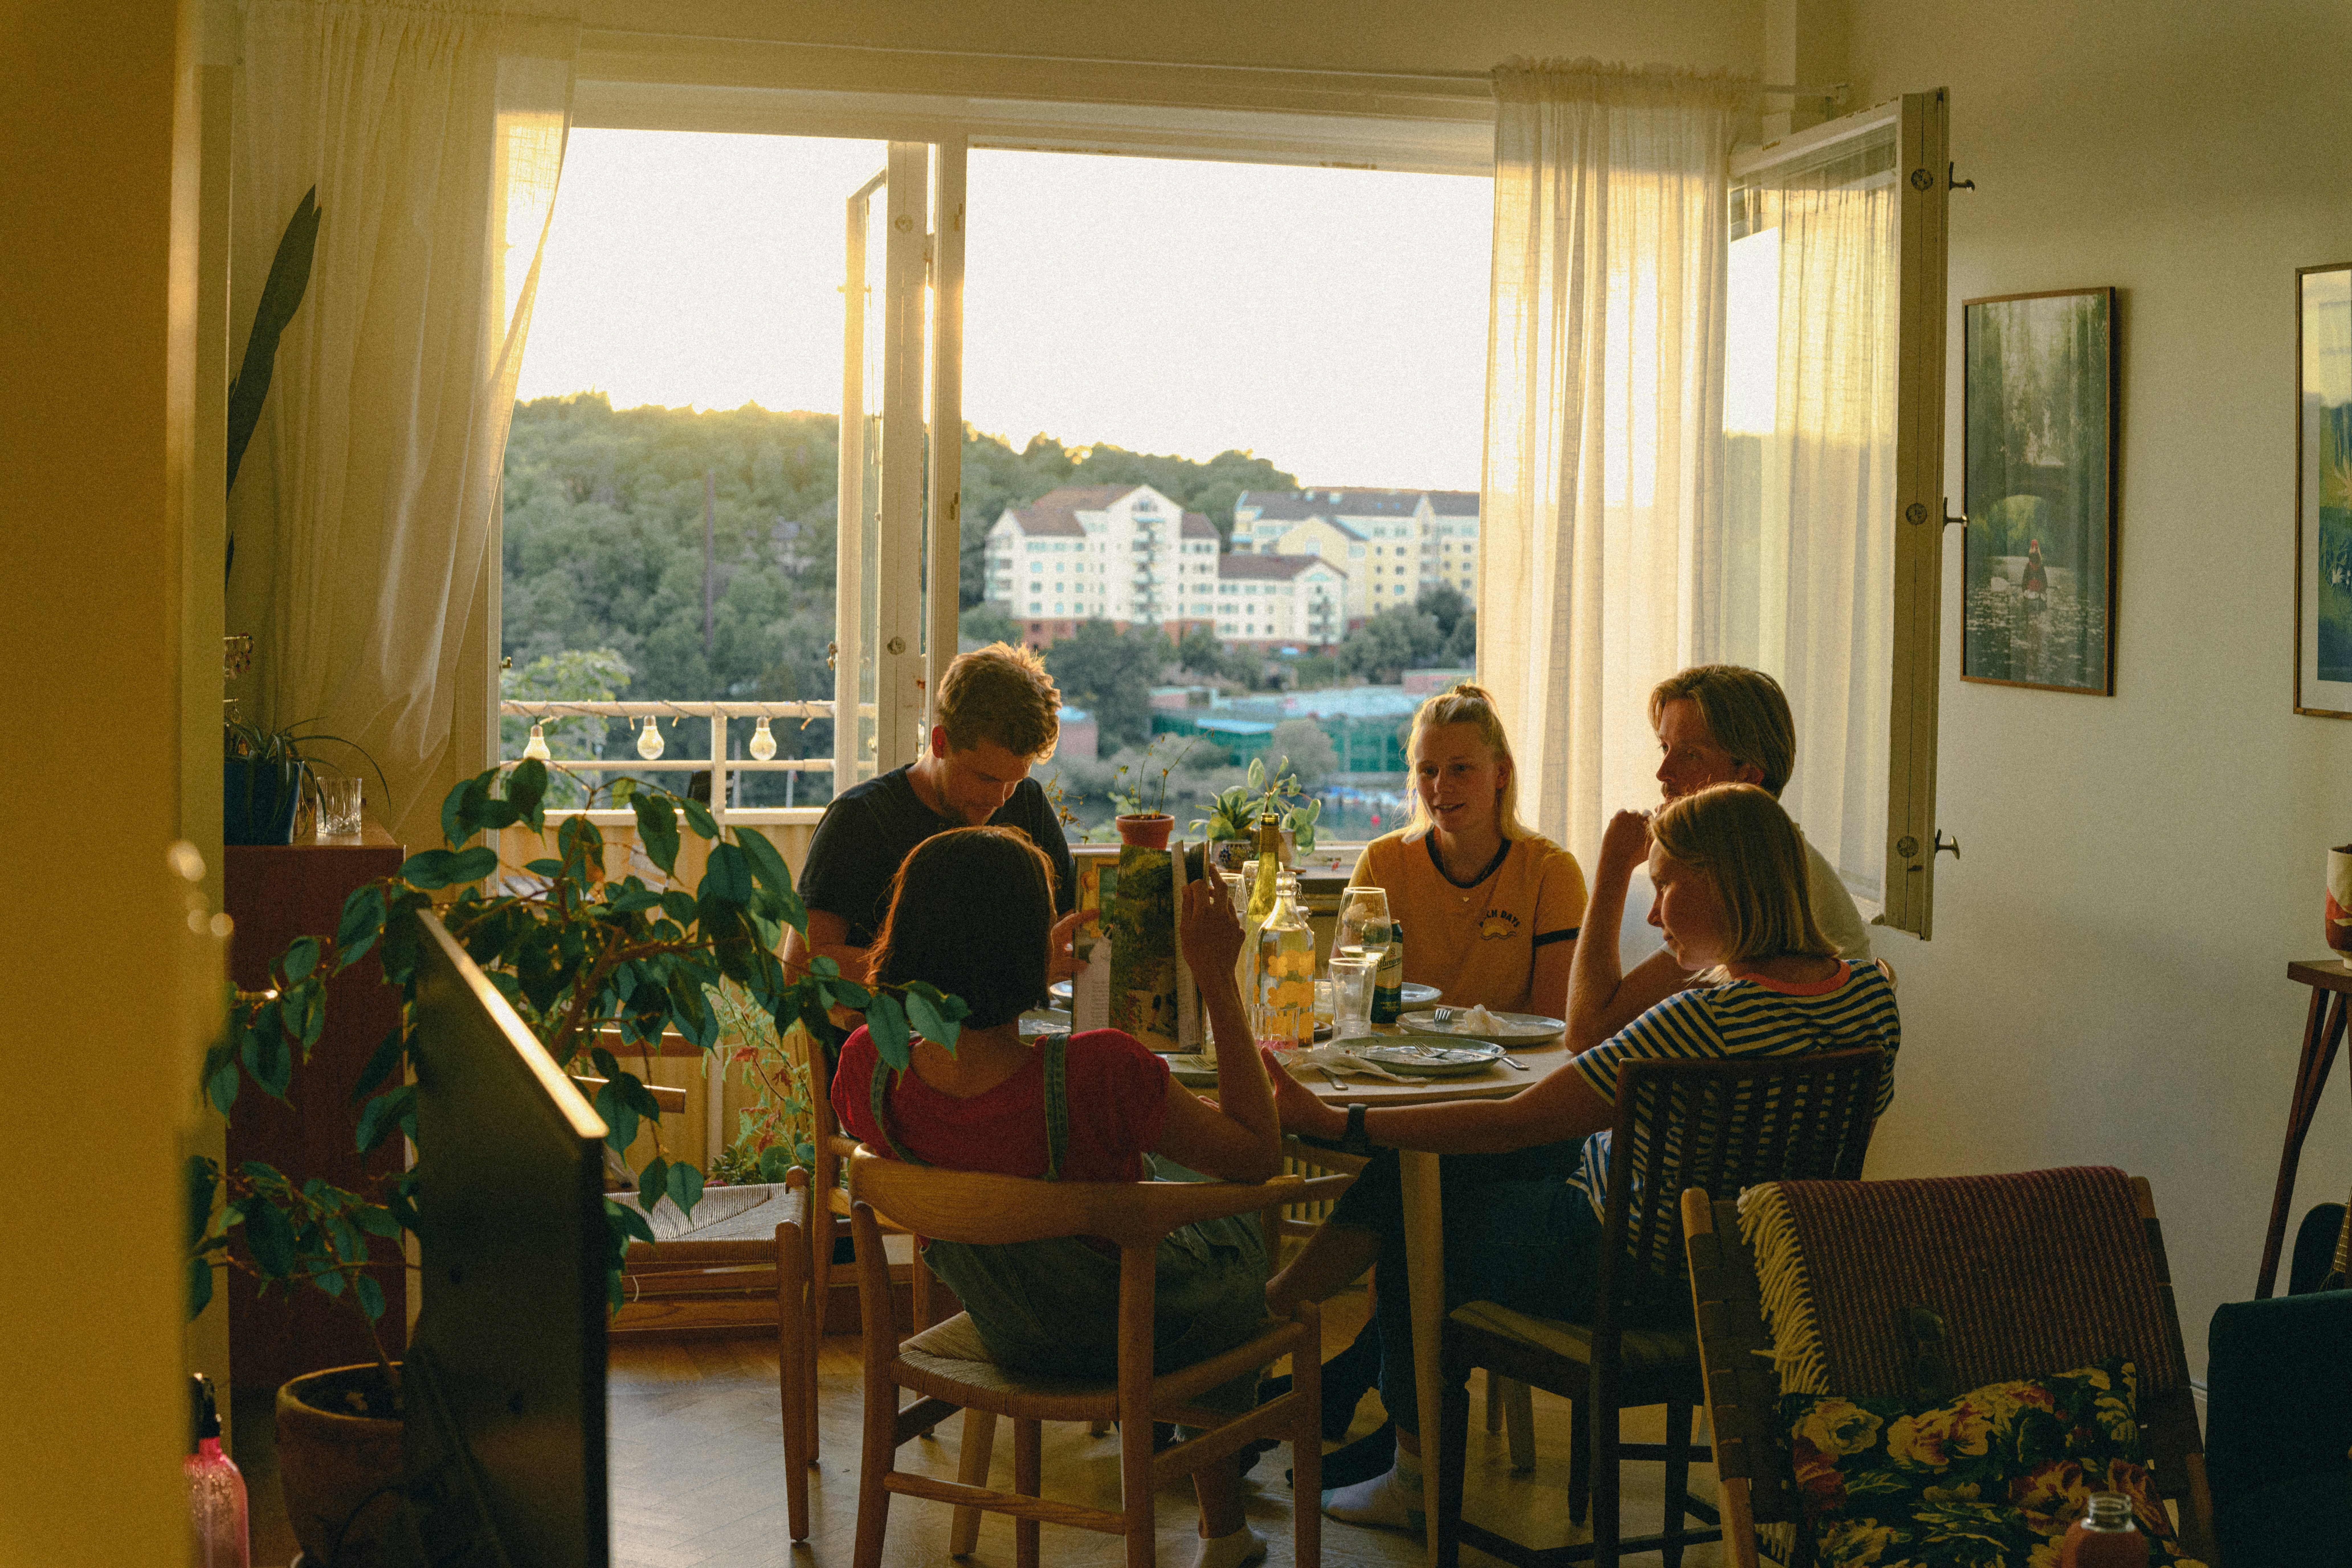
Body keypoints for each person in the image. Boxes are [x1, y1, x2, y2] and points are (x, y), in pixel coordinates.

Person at [1264, 783, 1901, 1533]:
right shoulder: (1868, 999)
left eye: (1665, 885)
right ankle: (1283, 1316)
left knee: (1417, 1209)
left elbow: (1514, 1122)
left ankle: (1392, 1450)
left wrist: (1343, 1122)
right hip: (1766, 1274)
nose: (1656, 912)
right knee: (1457, 1165)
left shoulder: (1698, 1020)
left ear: (1727, 883)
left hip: (1633, 1274)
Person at [831, 826, 1284, 1568]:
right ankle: (1223, 1530)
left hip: (1011, 1328)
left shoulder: (866, 1071)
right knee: (1212, 1205)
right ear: (1025, 947)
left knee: (1159, 1208)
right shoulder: (1098, 1073)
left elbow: (974, 1121)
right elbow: (1258, 1155)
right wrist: (1215, 978)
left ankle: (1227, 1530)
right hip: (1138, 1333)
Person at [1568, 663, 1875, 1053]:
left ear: (1747, 776)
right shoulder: (1773, 853)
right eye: (1665, 748)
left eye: (1691, 755)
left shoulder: (1751, 878)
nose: (1663, 773)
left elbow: (1589, 1031)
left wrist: (1613, 869)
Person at [786, 642, 1083, 1001]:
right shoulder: (860, 819)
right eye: (986, 779)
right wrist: (988, 977)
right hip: (888, 1045)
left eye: (1015, 780)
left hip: (1006, 1039)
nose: (1000, 798)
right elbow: (801, 966)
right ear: (940, 742)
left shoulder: (1027, 802)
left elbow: (1072, 923)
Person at [1346, 682, 1587, 1019]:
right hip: (1404, 1058)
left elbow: (1553, 1023)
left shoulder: (1551, 871)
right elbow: (1350, 998)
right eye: (1428, 771)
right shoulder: (1380, 862)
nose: (1441, 786)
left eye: (1461, 768)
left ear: (1501, 772)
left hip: (1510, 1067)